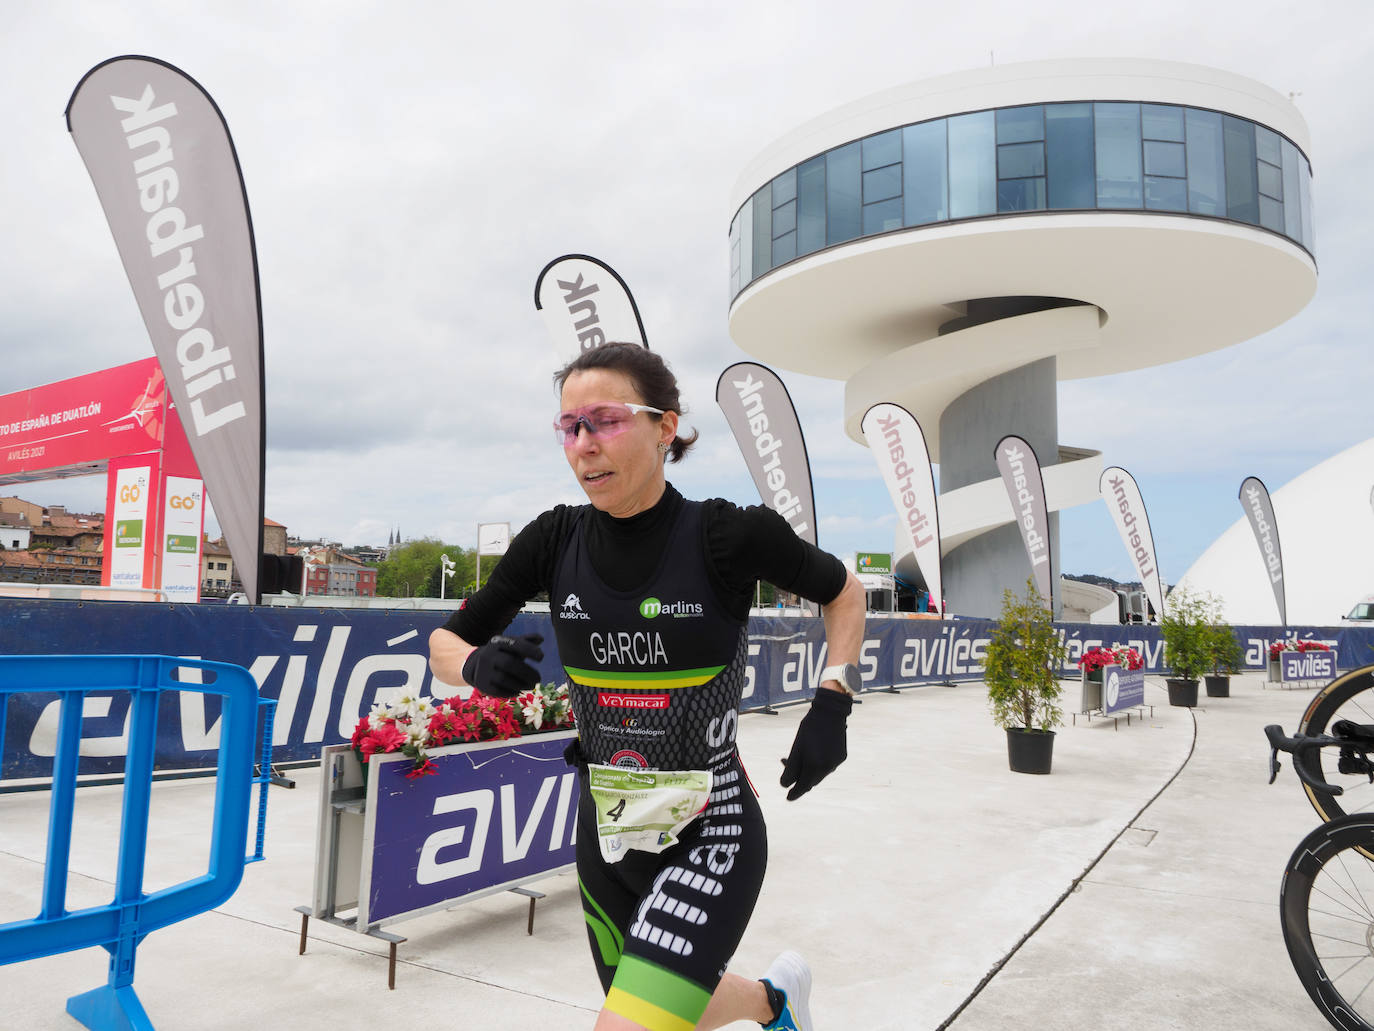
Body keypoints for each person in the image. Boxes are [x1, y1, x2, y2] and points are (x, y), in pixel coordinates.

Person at [429, 343, 866, 1031]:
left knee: (630, 1022)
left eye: (603, 420)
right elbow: (444, 644)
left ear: (665, 426)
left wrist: (833, 698)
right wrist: (475, 666)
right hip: (607, 836)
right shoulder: (552, 539)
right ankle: (776, 1002)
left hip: (710, 827)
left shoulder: (729, 535)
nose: (583, 445)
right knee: (655, 997)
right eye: (569, 427)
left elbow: (844, 593)